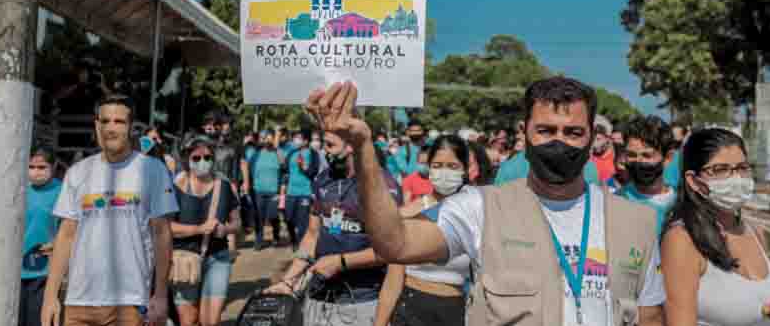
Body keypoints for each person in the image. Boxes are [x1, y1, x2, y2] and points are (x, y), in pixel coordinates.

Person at [306, 77, 666, 326]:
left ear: (592, 138)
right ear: (524, 133)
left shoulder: (635, 222)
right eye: (546, 131)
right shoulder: (481, 208)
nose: (560, 142)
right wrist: (363, 146)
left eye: (573, 132)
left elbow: (649, 317)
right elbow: (393, 243)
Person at [41, 94, 178, 326]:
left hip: (129, 302)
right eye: (105, 121)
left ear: (131, 127)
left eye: (119, 122)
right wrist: (50, 297)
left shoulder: (153, 170)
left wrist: (161, 294)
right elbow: (66, 235)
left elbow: (162, 234)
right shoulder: (77, 172)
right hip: (78, 302)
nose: (110, 128)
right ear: (96, 125)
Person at [264, 130, 403, 326]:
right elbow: (312, 236)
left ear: (351, 145)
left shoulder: (381, 185)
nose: (323, 150)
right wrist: (288, 281)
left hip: (362, 301)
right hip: (318, 297)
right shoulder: (322, 179)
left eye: (330, 145)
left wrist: (341, 262)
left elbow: (392, 251)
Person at [661, 127, 770, 325]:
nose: (735, 178)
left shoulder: (755, 232)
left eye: (742, 167)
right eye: (720, 170)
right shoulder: (682, 240)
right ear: (694, 181)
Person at [375, 135, 473, 326]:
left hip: (455, 311)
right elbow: (393, 280)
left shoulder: (475, 212)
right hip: (411, 308)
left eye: (452, 166)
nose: (444, 172)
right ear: (429, 168)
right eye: (437, 165)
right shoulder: (409, 213)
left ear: (465, 169)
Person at [171, 135, 241, 326]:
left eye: (208, 157)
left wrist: (225, 229)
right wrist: (199, 229)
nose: (203, 162)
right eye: (196, 158)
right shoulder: (175, 186)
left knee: (210, 321)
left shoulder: (224, 186)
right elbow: (166, 227)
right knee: (189, 320)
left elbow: (237, 223)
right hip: (184, 259)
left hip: (218, 258)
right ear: (187, 159)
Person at [20, 149, 63, 326]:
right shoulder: (19, 189)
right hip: (15, 270)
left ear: (53, 167)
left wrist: (56, 245)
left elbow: (70, 229)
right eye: (31, 167)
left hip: (44, 271)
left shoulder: (62, 191)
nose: (35, 172)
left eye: (41, 167)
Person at [617, 116, 677, 233]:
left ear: (668, 158)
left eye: (647, 156)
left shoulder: (682, 204)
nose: (639, 161)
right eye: (632, 155)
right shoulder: (616, 203)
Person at [245, 129, 287, 250]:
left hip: (274, 191)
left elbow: (284, 163)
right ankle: (259, 241)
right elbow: (247, 169)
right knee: (259, 217)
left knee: (273, 215)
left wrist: (276, 147)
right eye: (264, 138)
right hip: (258, 190)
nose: (266, 140)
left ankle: (276, 236)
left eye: (269, 137)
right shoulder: (255, 154)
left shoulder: (278, 153)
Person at [284, 129, 321, 251]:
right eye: (295, 138)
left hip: (305, 192)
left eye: (299, 138)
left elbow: (313, 172)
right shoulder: (291, 153)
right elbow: (285, 170)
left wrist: (303, 167)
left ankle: (301, 245)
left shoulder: (313, 154)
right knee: (288, 218)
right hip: (291, 191)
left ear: (306, 141)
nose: (296, 140)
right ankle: (293, 239)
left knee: (302, 222)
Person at [590, 114, 616, 183]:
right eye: (592, 138)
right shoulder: (587, 153)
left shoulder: (614, 164)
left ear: (608, 139)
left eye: (598, 139)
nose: (594, 144)